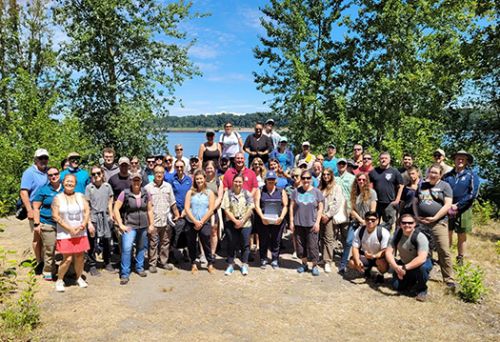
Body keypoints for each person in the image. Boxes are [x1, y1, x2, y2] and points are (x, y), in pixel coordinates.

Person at [414, 163, 455, 287]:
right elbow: (415, 202)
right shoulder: (421, 185)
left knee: (443, 250)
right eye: (431, 172)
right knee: (424, 250)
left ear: (440, 175)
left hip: (439, 223)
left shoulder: (445, 186)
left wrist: (435, 217)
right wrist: (416, 216)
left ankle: (448, 279)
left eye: (435, 173)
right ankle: (424, 274)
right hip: (422, 223)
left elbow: (448, 205)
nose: (432, 175)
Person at [51, 174, 91, 292]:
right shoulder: (58, 198)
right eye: (67, 181)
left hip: (80, 232)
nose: (69, 183)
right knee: (67, 258)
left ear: (75, 183)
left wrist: (83, 224)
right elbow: (55, 215)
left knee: (79, 256)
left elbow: (87, 210)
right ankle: (60, 280)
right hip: (65, 233)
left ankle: (78, 278)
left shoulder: (80, 196)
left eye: (72, 182)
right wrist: (69, 228)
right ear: (63, 182)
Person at [113, 172, 154, 285]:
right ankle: (125, 273)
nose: (136, 182)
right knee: (126, 248)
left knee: (141, 247)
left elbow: (149, 210)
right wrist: (120, 224)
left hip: (143, 225)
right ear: (131, 181)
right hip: (130, 225)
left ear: (141, 181)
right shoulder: (125, 193)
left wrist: (151, 224)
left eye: (138, 180)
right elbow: (116, 208)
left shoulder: (146, 193)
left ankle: (139, 267)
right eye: (134, 180)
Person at [443, 150, 480, 265]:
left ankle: (460, 258)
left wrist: (458, 205)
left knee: (461, 234)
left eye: (462, 159)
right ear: (454, 160)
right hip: (447, 208)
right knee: (447, 232)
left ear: (466, 161)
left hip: (464, 209)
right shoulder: (447, 176)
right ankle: (446, 257)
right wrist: (447, 205)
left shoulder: (471, 175)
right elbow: (441, 190)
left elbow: (472, 194)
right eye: (458, 158)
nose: (460, 160)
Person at [385, 214, 432, 302]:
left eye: (410, 223)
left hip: (420, 263)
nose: (407, 225)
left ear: (415, 224)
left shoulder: (420, 237)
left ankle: (422, 289)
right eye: (404, 223)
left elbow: (421, 258)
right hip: (404, 263)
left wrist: (404, 268)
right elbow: (388, 252)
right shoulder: (396, 235)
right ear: (400, 224)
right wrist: (396, 267)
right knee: (397, 286)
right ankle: (413, 279)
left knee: (423, 268)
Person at [338, 172, 377, 274]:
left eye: (364, 180)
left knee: (366, 245)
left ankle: (366, 266)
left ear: (367, 181)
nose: (361, 182)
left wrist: (367, 221)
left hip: (368, 223)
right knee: (348, 242)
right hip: (356, 221)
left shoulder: (372, 193)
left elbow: (373, 210)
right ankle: (343, 264)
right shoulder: (354, 193)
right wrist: (360, 220)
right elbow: (351, 209)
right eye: (359, 179)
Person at [289, 170, 324, 276]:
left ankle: (314, 265)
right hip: (298, 223)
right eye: (303, 178)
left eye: (308, 178)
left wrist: (317, 222)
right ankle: (304, 264)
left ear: (311, 179)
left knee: (313, 246)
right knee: (300, 246)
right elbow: (291, 207)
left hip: (312, 223)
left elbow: (320, 208)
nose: (306, 180)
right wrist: (291, 221)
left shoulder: (317, 192)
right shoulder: (296, 191)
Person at [145, 165, 180, 273]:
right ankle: (152, 263)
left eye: (161, 172)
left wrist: (176, 214)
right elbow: (146, 206)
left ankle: (163, 261)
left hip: (166, 219)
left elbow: (172, 202)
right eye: (156, 172)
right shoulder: (148, 188)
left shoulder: (168, 186)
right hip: (153, 221)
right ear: (153, 174)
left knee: (165, 242)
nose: (159, 174)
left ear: (164, 174)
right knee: (153, 243)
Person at [20, 148, 49, 274]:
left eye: (45, 158)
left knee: (46, 236)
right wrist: (29, 210)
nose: (43, 160)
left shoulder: (49, 171)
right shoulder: (29, 173)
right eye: (41, 158)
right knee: (37, 235)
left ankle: (46, 260)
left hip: (47, 209)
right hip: (34, 208)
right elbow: (23, 192)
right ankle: (39, 262)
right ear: (35, 159)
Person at [32, 166, 63, 281]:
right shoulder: (43, 190)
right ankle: (49, 271)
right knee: (49, 249)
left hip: (63, 224)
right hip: (48, 223)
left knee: (66, 249)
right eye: (50, 175)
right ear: (48, 177)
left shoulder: (66, 188)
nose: (53, 176)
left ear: (59, 174)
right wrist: (36, 224)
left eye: (55, 174)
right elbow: (36, 207)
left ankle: (67, 270)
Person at [221, 175, 255, 276]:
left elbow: (250, 208)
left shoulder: (247, 194)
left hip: (245, 223)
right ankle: (230, 265)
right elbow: (226, 209)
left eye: (240, 182)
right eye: (236, 181)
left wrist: (242, 221)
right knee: (231, 244)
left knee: (245, 244)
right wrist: (235, 221)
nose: (238, 183)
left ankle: (244, 265)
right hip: (231, 222)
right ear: (233, 182)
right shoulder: (227, 194)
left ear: (243, 182)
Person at [255, 171, 288, 269]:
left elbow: (285, 205)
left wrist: (281, 218)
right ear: (266, 180)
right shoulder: (260, 190)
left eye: (273, 179)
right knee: (263, 240)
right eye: (269, 179)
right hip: (263, 220)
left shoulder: (281, 191)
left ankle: (275, 259)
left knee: (276, 240)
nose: (271, 181)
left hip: (277, 220)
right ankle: (263, 259)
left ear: (276, 180)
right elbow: (257, 205)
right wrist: (262, 217)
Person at [85, 166, 115, 276]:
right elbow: (86, 205)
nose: (96, 176)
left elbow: (110, 200)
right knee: (92, 242)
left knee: (107, 241)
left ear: (102, 174)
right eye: (93, 174)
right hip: (93, 217)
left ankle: (107, 262)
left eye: (98, 173)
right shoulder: (89, 188)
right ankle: (92, 264)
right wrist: (88, 222)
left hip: (105, 217)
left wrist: (111, 214)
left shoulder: (107, 187)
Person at [184, 169, 216, 274]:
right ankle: (193, 263)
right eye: (197, 179)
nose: (199, 180)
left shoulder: (209, 193)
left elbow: (211, 209)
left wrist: (201, 221)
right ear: (194, 180)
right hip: (191, 222)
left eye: (201, 178)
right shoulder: (190, 192)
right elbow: (187, 208)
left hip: (204, 222)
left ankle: (210, 263)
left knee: (206, 242)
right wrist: (195, 221)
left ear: (204, 179)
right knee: (191, 243)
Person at [349, 211, 390, 282]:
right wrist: (357, 260)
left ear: (377, 221)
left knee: (383, 264)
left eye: (373, 220)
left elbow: (385, 250)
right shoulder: (360, 230)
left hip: (378, 257)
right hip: (365, 256)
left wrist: (374, 256)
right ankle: (365, 271)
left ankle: (380, 274)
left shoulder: (383, 232)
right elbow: (355, 247)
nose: (370, 222)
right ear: (364, 220)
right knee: (352, 263)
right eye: (367, 219)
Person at [319, 168, 346, 273]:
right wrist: (320, 215)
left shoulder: (336, 187)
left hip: (329, 217)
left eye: (327, 174)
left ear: (331, 175)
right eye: (324, 174)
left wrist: (328, 215)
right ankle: (323, 257)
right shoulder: (320, 187)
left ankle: (328, 261)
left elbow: (337, 203)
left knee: (329, 238)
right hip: (320, 216)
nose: (325, 176)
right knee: (321, 237)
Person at [369, 152, 404, 229]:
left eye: (385, 158)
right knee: (374, 222)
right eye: (382, 158)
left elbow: (401, 185)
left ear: (389, 160)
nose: (383, 160)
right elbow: (366, 184)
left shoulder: (394, 171)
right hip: (376, 202)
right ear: (379, 160)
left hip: (389, 203)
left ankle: (386, 240)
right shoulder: (374, 171)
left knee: (388, 224)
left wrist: (397, 199)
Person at [167, 159, 193, 251]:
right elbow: (169, 195)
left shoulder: (189, 180)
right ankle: (172, 253)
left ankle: (185, 252)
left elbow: (191, 195)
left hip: (187, 210)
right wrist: (175, 211)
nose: (179, 168)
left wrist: (186, 210)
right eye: (177, 167)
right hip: (175, 210)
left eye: (181, 166)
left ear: (184, 167)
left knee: (187, 232)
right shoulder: (171, 179)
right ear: (175, 167)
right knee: (175, 233)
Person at [205, 160, 224, 257]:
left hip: (214, 210)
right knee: (203, 233)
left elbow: (220, 197)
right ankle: (203, 253)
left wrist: (211, 208)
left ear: (215, 169)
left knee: (213, 231)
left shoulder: (218, 181)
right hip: (203, 210)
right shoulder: (202, 180)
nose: (209, 170)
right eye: (207, 168)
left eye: (211, 168)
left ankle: (212, 253)